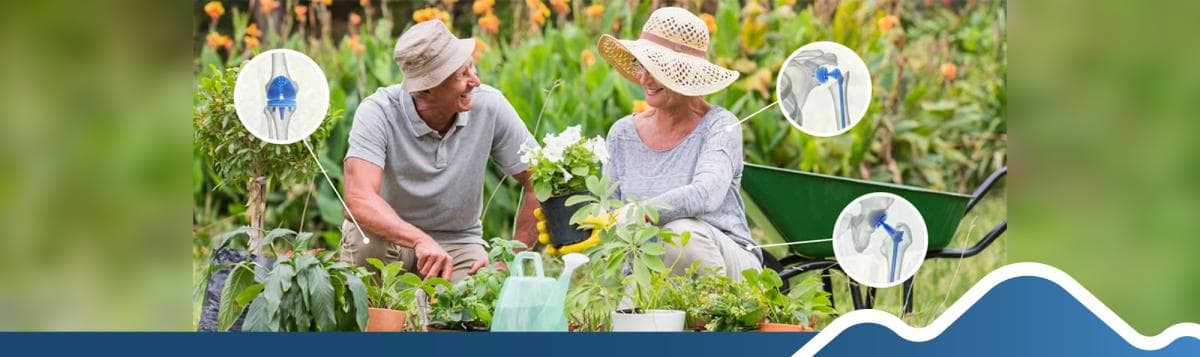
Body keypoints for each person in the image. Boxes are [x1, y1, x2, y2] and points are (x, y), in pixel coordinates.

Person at [339, 20, 539, 283]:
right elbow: (358, 198)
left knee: (477, 302)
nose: (475, 81)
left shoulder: (490, 106)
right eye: (461, 75)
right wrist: (419, 239)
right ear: (428, 88)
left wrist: (508, 260)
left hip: (458, 243)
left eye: (472, 67)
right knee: (365, 245)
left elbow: (539, 179)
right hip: (389, 239)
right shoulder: (378, 111)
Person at [595, 7, 761, 280]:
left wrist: (639, 213)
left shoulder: (720, 126)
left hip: (726, 262)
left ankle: (713, 319)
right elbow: (610, 214)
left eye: (656, 68)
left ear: (684, 72)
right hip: (648, 268)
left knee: (680, 235)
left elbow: (704, 194)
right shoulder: (622, 134)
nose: (644, 79)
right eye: (641, 65)